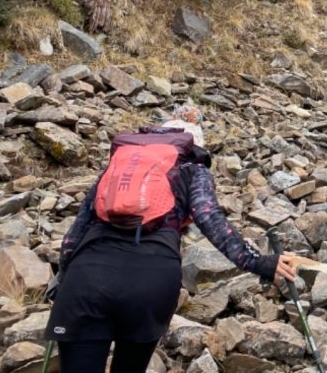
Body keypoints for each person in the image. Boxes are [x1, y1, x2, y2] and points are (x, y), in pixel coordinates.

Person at [44, 116, 298, 373]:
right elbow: (210, 219)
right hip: (151, 282)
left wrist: (64, 278)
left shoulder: (119, 168)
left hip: (86, 279)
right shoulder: (193, 169)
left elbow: (73, 237)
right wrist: (260, 263)